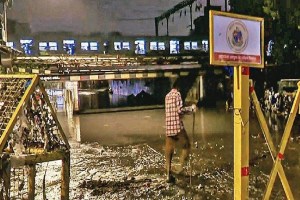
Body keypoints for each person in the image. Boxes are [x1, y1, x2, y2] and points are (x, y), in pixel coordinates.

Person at [165, 79, 196, 183]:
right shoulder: (177, 94)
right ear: (179, 87)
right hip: (177, 127)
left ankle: (168, 174)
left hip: (169, 127)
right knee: (187, 145)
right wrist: (191, 109)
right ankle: (180, 168)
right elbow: (179, 110)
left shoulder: (167, 96)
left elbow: (172, 111)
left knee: (169, 150)